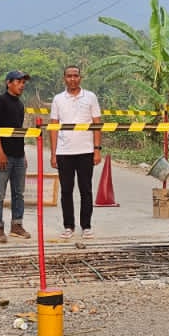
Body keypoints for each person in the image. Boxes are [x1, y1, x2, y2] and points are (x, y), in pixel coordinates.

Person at [50, 64, 102, 239]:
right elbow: (53, 127)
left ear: (81, 78)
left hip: (86, 151)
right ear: (64, 78)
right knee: (66, 190)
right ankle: (68, 226)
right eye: (69, 76)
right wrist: (53, 153)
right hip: (64, 152)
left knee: (86, 190)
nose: (72, 79)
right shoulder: (58, 99)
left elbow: (97, 124)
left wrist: (97, 150)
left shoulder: (90, 97)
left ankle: (86, 225)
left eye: (76, 76)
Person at [0, 71, 32, 242]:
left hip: (18, 156)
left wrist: (23, 155)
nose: (22, 85)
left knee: (18, 193)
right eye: (18, 82)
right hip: (3, 156)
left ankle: (17, 225)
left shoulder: (20, 105)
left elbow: (18, 132)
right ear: (9, 83)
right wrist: (0, 153)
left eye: (23, 82)